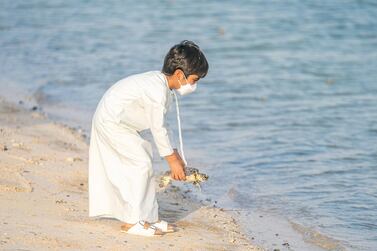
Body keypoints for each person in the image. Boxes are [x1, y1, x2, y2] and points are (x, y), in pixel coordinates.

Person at [88, 40, 209, 236]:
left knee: (143, 163)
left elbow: (164, 125)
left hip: (123, 124)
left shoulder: (163, 87)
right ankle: (133, 222)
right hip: (111, 121)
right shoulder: (156, 90)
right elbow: (157, 127)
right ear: (180, 74)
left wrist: (175, 154)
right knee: (141, 164)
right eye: (194, 80)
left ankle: (148, 218)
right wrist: (171, 161)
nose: (194, 85)